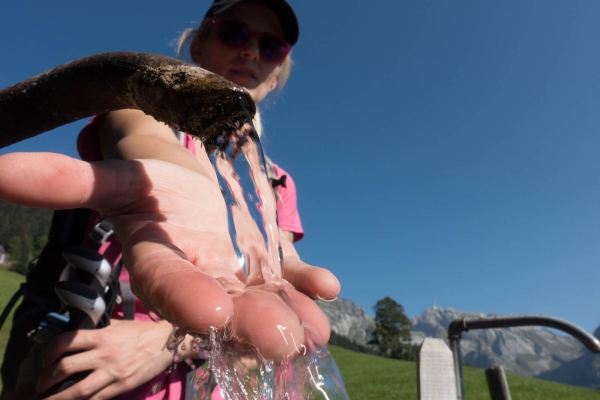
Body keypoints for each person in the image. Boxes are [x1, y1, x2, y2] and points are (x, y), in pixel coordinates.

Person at [0, 0, 340, 399]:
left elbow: (264, 325)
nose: (250, 52)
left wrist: (164, 344)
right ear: (198, 46)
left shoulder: (276, 182)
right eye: (234, 33)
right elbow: (137, 132)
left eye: (272, 48)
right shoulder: (144, 113)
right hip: (88, 375)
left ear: (276, 73)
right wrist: (174, 167)